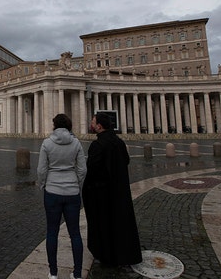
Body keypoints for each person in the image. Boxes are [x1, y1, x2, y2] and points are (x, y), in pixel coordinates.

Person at [82, 112, 142, 266]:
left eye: (93, 121)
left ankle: (104, 254)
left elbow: (92, 170)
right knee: (119, 223)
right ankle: (122, 253)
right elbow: (126, 161)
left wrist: (88, 188)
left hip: (102, 192)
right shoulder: (119, 142)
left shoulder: (98, 145)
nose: (91, 123)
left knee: (103, 223)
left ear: (99, 126)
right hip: (119, 190)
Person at [37, 113, 87, 279]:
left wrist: (43, 184)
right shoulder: (76, 143)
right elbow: (82, 169)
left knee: (52, 232)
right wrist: (76, 183)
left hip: (52, 191)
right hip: (72, 192)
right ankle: (77, 273)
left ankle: (53, 273)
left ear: (55, 126)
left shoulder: (47, 143)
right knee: (75, 234)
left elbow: (41, 170)